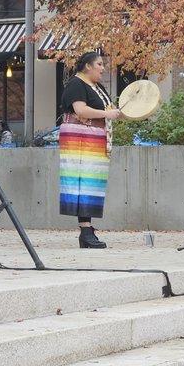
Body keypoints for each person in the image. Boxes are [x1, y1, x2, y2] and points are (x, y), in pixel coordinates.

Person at [59, 51, 121, 249]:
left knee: (91, 182)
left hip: (93, 136)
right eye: (100, 64)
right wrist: (106, 113)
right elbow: (80, 110)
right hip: (80, 136)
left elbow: (108, 111)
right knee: (82, 180)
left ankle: (87, 229)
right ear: (87, 66)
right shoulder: (76, 84)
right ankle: (85, 231)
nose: (103, 68)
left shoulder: (97, 87)